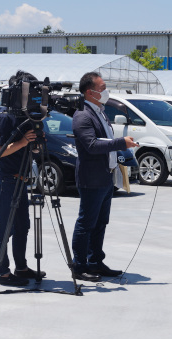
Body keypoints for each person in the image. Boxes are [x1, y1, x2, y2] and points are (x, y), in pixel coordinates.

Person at [71, 72, 138, 282]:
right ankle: (80, 265)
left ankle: (95, 261)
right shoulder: (83, 115)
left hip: (106, 176)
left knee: (101, 223)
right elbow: (91, 145)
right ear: (90, 92)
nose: (106, 92)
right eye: (103, 88)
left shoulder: (100, 111)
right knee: (86, 223)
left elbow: (105, 139)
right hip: (91, 178)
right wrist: (121, 143)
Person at [0, 70, 44, 286]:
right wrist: (21, 142)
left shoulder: (27, 117)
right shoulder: (4, 117)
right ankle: (2, 273)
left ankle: (21, 267)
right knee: (4, 228)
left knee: (22, 226)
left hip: (21, 180)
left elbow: (34, 151)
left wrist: (36, 143)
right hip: (4, 181)